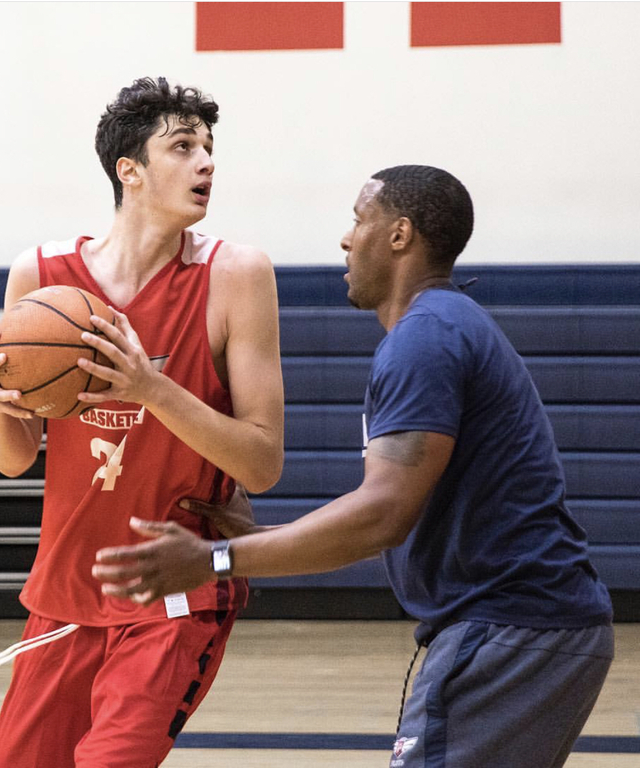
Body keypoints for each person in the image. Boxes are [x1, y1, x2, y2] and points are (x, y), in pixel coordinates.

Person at [93, 165, 615, 768]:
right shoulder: (443, 326)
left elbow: (382, 516)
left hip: (510, 629)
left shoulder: (425, 338)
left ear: (399, 235)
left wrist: (213, 560)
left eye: (359, 220)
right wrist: (267, 538)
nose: (346, 238)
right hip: (536, 627)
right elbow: (395, 520)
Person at [0, 77, 284, 768]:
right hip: (64, 592)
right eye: (184, 146)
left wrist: (149, 387)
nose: (207, 162)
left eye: (209, 147)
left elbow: (262, 464)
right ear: (130, 170)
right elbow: (13, 458)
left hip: (173, 592)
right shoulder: (41, 276)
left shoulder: (235, 274)